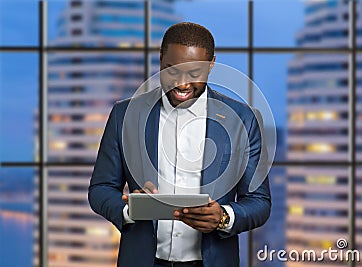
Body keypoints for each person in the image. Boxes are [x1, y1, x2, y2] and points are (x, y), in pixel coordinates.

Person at [88, 22, 271, 267]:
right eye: (171, 70)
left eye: (194, 73)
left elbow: (259, 201)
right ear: (160, 60)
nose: (182, 84)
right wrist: (130, 209)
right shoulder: (125, 115)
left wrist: (223, 217)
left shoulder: (243, 120)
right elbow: (100, 189)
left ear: (211, 64)